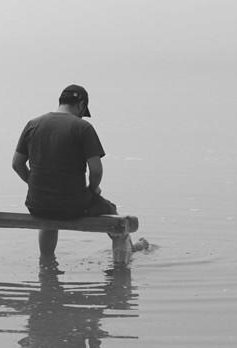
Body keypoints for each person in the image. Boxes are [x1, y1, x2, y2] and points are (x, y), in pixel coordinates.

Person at [12, 84, 147, 257]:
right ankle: (129, 251)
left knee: (49, 222)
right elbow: (96, 170)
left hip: (37, 205)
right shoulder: (82, 128)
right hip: (72, 205)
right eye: (83, 111)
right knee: (111, 211)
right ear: (81, 104)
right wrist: (92, 189)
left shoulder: (33, 124)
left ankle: (46, 262)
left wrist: (35, 184)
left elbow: (17, 164)